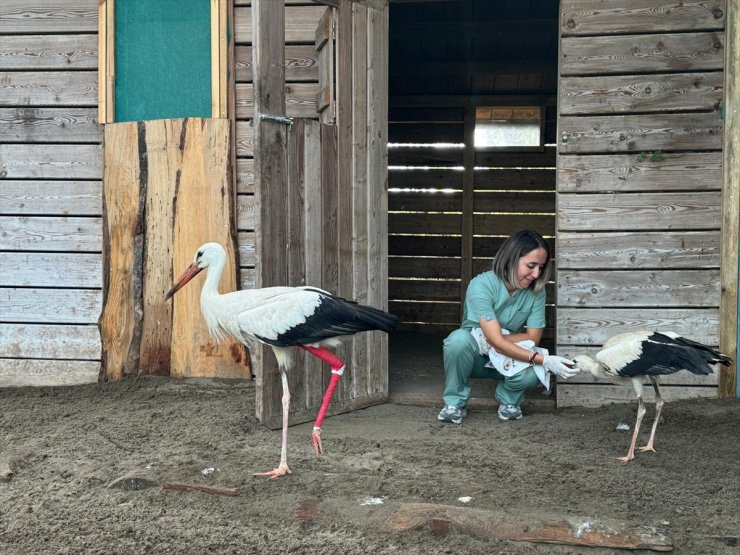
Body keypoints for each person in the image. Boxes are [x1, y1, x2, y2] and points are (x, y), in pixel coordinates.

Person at [437, 229, 578, 424]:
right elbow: (505, 339)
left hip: (507, 358)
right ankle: (455, 403)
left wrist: (495, 340)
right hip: (475, 356)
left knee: (535, 374)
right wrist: (543, 359)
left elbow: (533, 338)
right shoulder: (481, 285)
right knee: (457, 341)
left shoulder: (537, 291)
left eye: (541, 267)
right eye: (531, 265)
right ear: (511, 258)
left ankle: (509, 400)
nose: (536, 274)